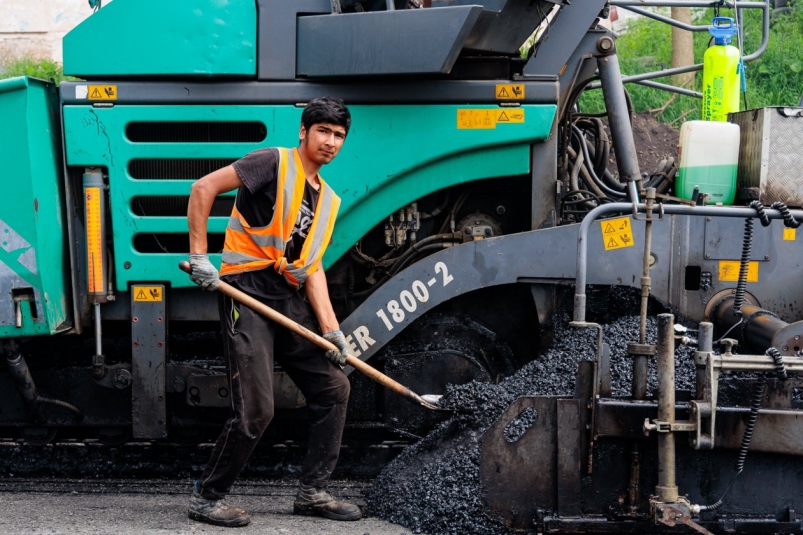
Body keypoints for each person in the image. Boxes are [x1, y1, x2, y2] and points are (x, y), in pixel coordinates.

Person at [185, 97, 361, 527]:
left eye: (338, 135)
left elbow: (311, 266)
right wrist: (201, 258)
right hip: (245, 294)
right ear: (304, 131)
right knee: (257, 411)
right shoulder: (272, 162)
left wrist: (332, 330)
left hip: (288, 303)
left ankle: (313, 492)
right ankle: (208, 497)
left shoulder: (327, 200)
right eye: (323, 131)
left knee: (335, 389)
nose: (330, 142)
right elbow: (202, 188)